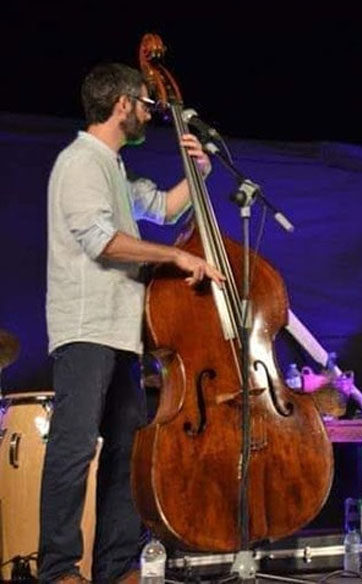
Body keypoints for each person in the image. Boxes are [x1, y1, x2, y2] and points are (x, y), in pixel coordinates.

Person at [40, 63, 224, 584]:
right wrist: (178, 258)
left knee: (126, 450)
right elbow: (102, 241)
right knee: (74, 450)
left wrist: (200, 173)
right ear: (122, 104)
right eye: (146, 102)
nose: (151, 112)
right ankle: (57, 569)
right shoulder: (80, 162)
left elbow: (165, 208)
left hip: (124, 331)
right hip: (85, 328)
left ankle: (116, 565)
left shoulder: (116, 169)